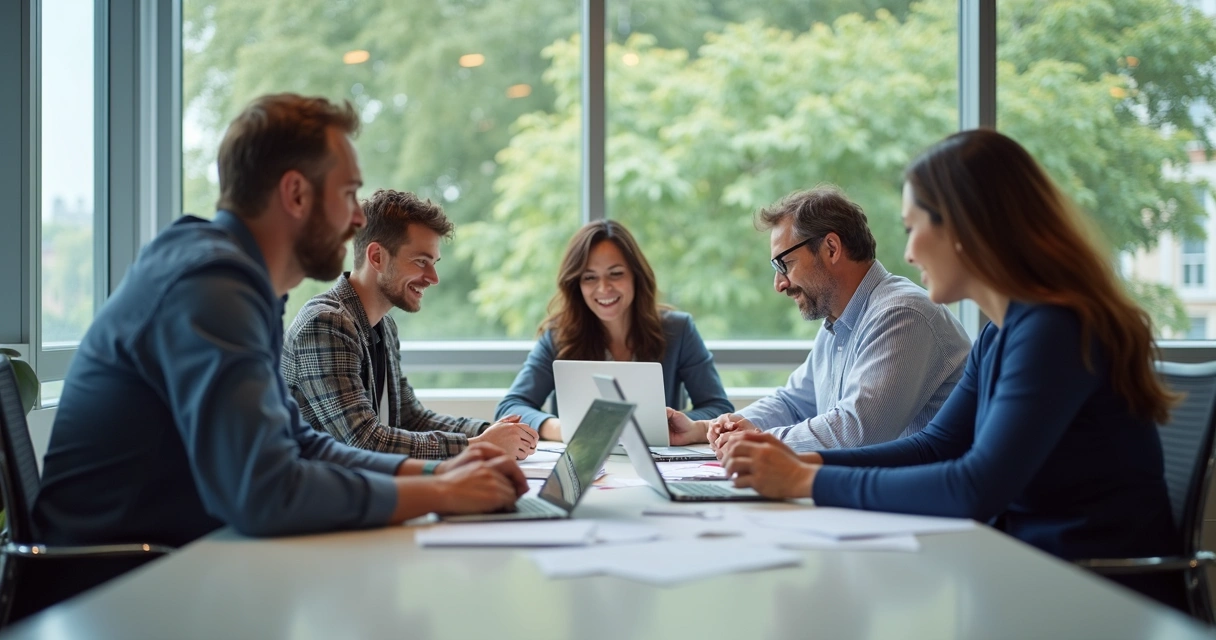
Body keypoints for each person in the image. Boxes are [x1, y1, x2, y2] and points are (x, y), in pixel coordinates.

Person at [33, 94, 528, 557]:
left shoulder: (238, 282)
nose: (358, 220)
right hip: (109, 583)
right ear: (295, 194)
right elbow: (266, 491)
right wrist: (440, 490)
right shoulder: (212, 285)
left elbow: (302, 444)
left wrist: (435, 472)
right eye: (348, 194)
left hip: (174, 561)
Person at [719, 129, 1182, 606]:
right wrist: (804, 461)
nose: (909, 252)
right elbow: (934, 446)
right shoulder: (1001, 333)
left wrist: (805, 480)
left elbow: (974, 487)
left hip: (1095, 594)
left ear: (964, 229)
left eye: (912, 228)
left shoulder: (1055, 329)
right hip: (1030, 574)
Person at [667, 186, 971, 453]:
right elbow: (793, 403)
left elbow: (857, 433)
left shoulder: (902, 314)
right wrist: (705, 429)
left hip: (919, 498)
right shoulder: (839, 322)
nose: (779, 284)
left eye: (784, 264)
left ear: (831, 248)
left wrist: (756, 441)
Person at [282, 189, 538, 461]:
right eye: (421, 262)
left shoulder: (383, 326)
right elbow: (363, 441)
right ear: (377, 257)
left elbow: (410, 417)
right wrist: (478, 446)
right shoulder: (325, 323)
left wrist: (492, 432)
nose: (433, 278)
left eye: (433, 263)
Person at [496, 220, 733, 441]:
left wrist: (677, 425)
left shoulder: (678, 330)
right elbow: (510, 408)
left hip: (659, 461)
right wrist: (562, 428)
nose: (603, 288)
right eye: (589, 277)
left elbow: (719, 408)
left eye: (616, 273)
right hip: (584, 465)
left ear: (636, 276)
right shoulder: (559, 336)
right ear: (577, 285)